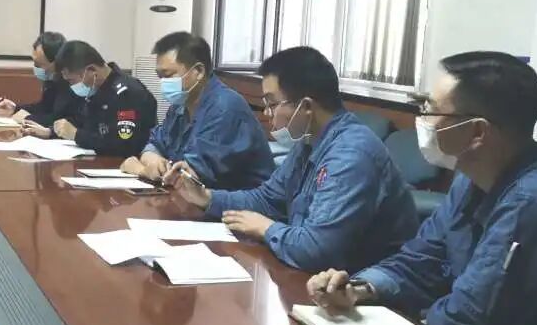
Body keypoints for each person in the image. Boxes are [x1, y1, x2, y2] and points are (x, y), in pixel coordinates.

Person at [307, 52, 537, 325]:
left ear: (477, 131)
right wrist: (358, 289)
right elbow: (421, 259)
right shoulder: (470, 179)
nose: (422, 120)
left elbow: (470, 321)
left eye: (431, 110)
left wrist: (421, 313)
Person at [172, 46, 417, 273]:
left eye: (272, 103)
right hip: (320, 279)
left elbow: (317, 250)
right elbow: (268, 199)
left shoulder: (351, 155)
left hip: (364, 287)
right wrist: (207, 198)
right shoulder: (310, 141)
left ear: (306, 106)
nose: (267, 113)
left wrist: (266, 228)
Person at [120, 32, 274, 189]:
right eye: (160, 77)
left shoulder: (225, 107)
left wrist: (139, 169)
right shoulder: (180, 105)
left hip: (237, 201)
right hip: (194, 197)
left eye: (168, 75)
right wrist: (151, 159)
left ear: (199, 71)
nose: (163, 83)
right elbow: (155, 142)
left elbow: (189, 176)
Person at [50, 41, 157, 157]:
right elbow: (84, 124)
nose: (71, 86)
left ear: (92, 70)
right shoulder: (96, 90)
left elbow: (124, 145)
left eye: (71, 80)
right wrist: (52, 131)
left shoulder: (127, 93)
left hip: (128, 162)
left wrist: (76, 135)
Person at [0, 31, 82, 137]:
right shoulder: (53, 79)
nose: (36, 68)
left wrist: (26, 118)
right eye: (34, 62)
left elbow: (61, 119)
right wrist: (15, 108)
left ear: (56, 62)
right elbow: (44, 107)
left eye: (39, 64)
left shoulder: (73, 82)